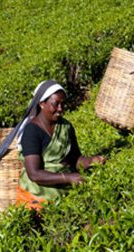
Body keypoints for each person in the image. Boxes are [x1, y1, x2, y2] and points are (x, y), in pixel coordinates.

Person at [12, 80, 106, 210]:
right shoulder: (32, 131)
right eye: (55, 104)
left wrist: (91, 161)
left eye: (63, 104)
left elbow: (75, 159)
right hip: (38, 193)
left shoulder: (66, 127)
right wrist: (67, 177)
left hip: (63, 189)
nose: (60, 109)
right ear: (42, 104)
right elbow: (34, 174)